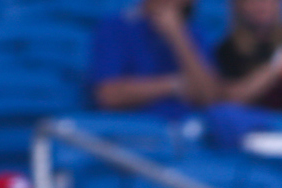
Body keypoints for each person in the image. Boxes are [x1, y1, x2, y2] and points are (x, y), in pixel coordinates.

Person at [90, 0, 223, 119]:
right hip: (133, 125)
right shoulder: (115, 26)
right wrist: (174, 85)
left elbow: (209, 97)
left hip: (187, 126)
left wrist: (177, 36)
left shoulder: (194, 33)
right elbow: (108, 96)